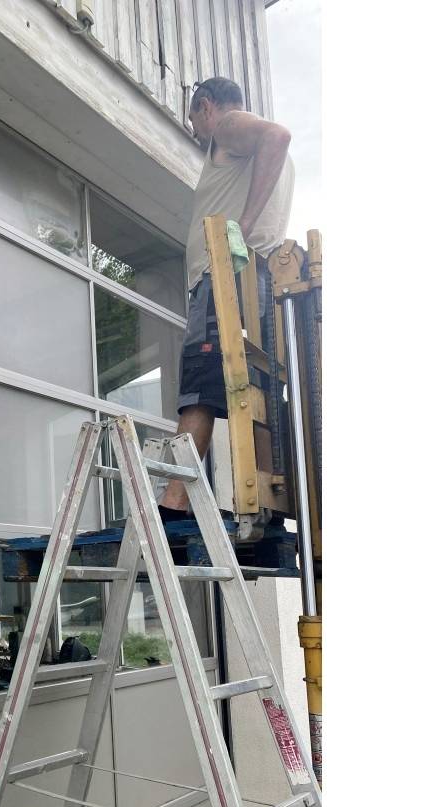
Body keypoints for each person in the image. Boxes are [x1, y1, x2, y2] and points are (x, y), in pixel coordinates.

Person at [159, 77, 294, 520]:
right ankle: (265, 503)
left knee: (198, 388)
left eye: (195, 122)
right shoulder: (250, 149)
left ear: (206, 106)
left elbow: (277, 134)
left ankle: (174, 505)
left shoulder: (229, 126)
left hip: (225, 278)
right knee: (256, 390)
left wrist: (241, 225)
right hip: (255, 282)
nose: (198, 134)